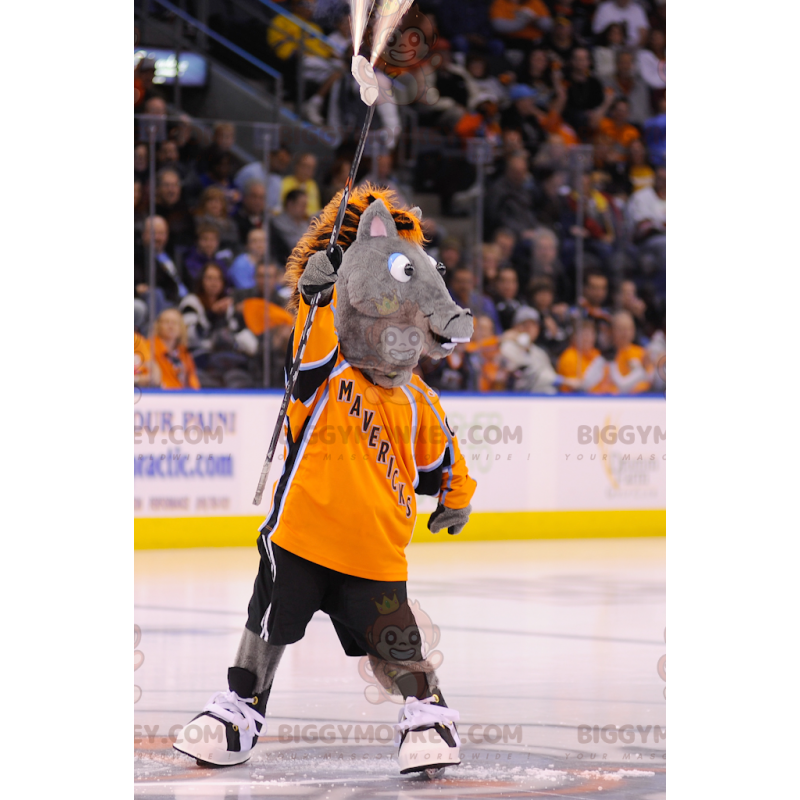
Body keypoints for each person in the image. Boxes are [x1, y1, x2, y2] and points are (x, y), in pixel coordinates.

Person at [172, 189, 475, 775]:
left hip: (375, 553)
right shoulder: (327, 371)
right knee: (267, 628)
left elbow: (444, 459)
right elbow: (311, 343)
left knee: (395, 643)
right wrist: (318, 295)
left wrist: (456, 497)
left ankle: (427, 711)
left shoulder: (418, 400)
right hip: (301, 539)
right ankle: (241, 707)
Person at [179, 264, 258, 387]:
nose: (213, 283)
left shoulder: (227, 305)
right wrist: (211, 315)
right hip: (200, 358)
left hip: (226, 358)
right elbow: (189, 336)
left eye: (217, 279)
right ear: (201, 281)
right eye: (209, 278)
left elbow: (249, 344)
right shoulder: (191, 303)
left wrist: (239, 317)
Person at [500, 306, 558, 393]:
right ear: (515, 327)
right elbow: (525, 373)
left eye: (533, 325)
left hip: (541, 395)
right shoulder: (507, 347)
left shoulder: (540, 352)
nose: (529, 329)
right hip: (516, 396)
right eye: (525, 325)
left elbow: (551, 376)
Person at [135, 216, 188, 308]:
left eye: (161, 233)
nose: (158, 237)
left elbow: (188, 280)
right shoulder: (138, 256)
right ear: (144, 234)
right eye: (154, 233)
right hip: (162, 300)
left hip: (184, 300)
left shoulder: (175, 255)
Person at [152, 308, 201, 390]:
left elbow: (193, 381)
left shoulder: (184, 353)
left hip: (182, 395)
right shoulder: (149, 348)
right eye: (166, 322)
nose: (171, 326)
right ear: (158, 326)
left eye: (175, 323)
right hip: (160, 394)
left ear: (181, 327)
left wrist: (195, 394)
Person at [556, 318, 609, 393]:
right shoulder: (568, 356)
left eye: (590, 334)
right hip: (574, 398)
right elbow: (577, 385)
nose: (587, 338)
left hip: (599, 397)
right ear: (574, 337)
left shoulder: (598, 355)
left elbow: (606, 381)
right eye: (584, 334)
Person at [607, 310, 653, 393]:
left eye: (628, 329)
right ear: (612, 331)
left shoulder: (642, 353)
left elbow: (649, 380)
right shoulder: (606, 356)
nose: (625, 333)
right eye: (621, 329)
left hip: (639, 397)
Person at [603, 50, 652, 126]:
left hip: (639, 126)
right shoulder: (607, 84)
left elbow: (646, 111)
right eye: (622, 63)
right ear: (616, 64)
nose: (625, 66)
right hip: (614, 127)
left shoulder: (642, 86)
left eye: (628, 63)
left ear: (633, 65)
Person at [449, 267, 501, 333]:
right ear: (452, 282)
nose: (463, 286)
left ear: (473, 282)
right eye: (459, 281)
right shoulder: (444, 301)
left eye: (467, 281)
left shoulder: (484, 302)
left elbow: (497, 330)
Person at [154, 168, 194, 250]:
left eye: (175, 185)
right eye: (166, 185)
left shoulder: (187, 212)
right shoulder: (152, 210)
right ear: (158, 188)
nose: (171, 190)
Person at [271, 188, 310, 265]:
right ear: (290, 204)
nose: (304, 209)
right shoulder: (278, 223)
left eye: (305, 205)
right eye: (302, 205)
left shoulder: (304, 223)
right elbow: (294, 244)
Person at [494, 267, 525, 331]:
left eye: (512, 281)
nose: (508, 286)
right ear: (496, 283)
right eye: (503, 281)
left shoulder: (523, 305)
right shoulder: (489, 305)